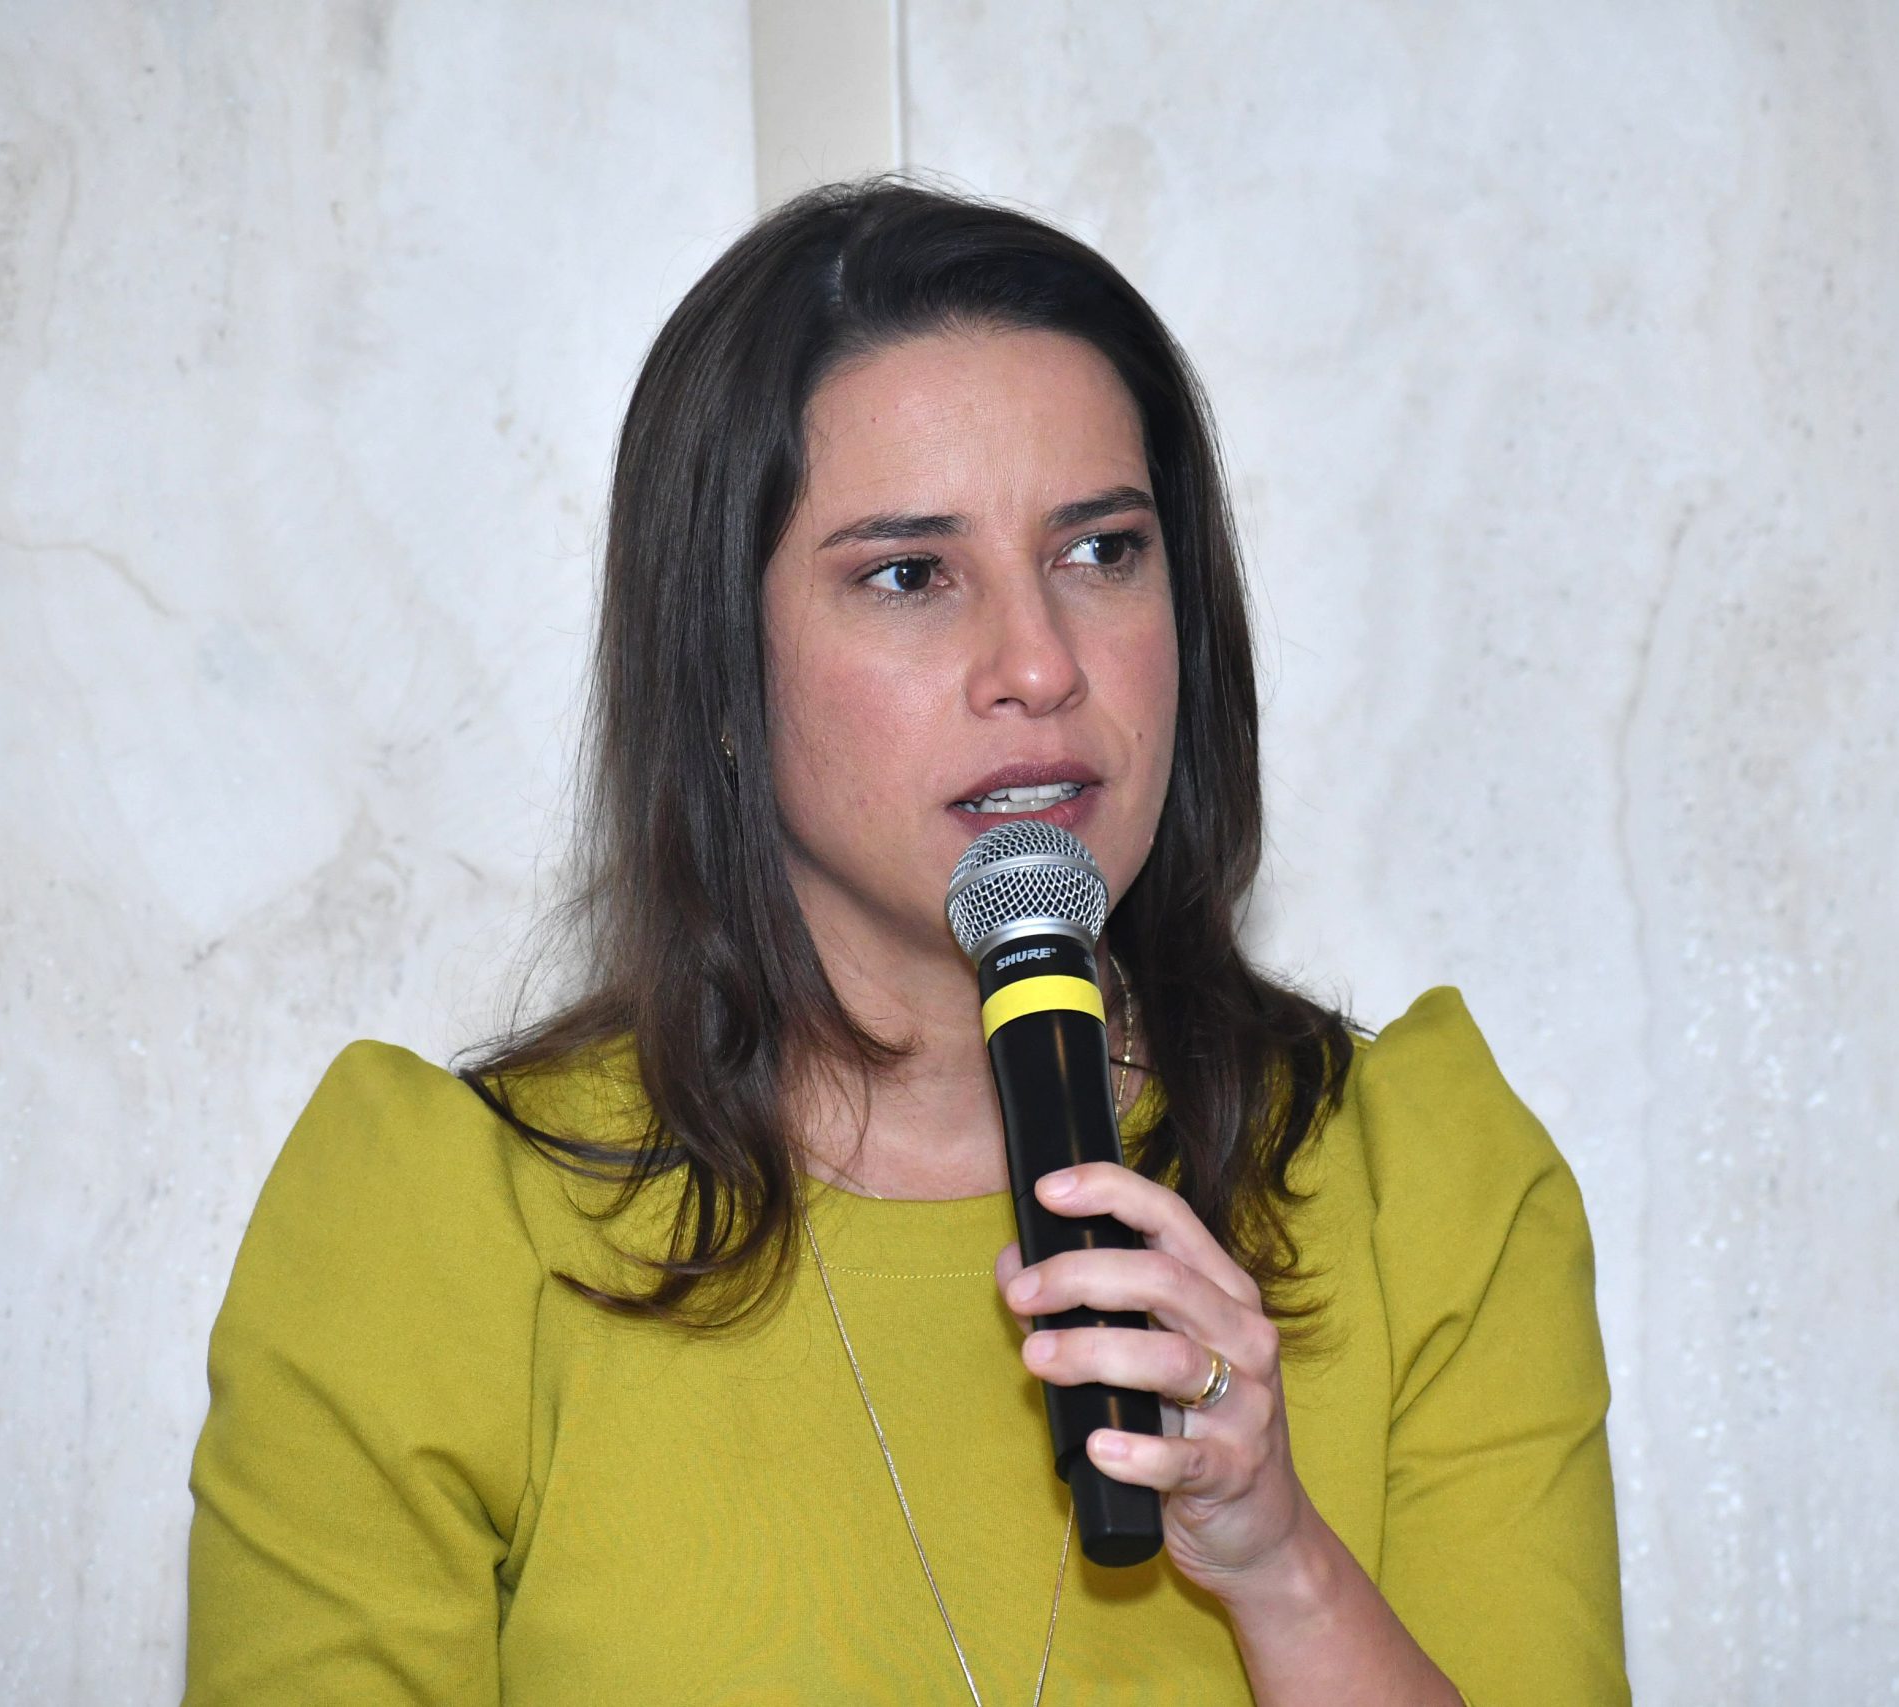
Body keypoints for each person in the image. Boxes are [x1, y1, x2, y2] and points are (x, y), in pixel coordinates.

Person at [183, 177, 1628, 1706]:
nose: (1038, 663)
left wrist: (1282, 1569)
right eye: (907, 574)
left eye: (1101, 552)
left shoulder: (1417, 1185)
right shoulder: (440, 1226)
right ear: (721, 669)